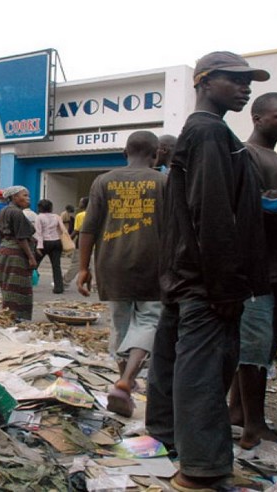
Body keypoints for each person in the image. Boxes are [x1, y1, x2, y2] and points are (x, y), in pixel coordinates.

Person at [145, 51, 271, 490]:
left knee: (174, 365)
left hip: (185, 277)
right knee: (203, 373)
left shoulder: (199, 133)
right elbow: (213, 213)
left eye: (248, 81)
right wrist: (225, 287)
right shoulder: (211, 132)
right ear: (203, 82)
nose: (245, 88)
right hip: (205, 282)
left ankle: (166, 443)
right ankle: (201, 473)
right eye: (234, 80)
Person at [76, 131, 165, 417]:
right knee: (150, 319)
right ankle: (127, 381)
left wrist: (83, 268)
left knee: (120, 322)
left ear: (125, 151)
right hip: (154, 264)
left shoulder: (103, 181)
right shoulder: (164, 182)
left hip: (111, 264)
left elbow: (88, 228)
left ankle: (122, 379)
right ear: (157, 154)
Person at [0, 185, 37, 321]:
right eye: (24, 195)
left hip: (4, 251)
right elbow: (21, 237)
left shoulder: (3, 211)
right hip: (16, 254)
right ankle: (17, 317)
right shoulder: (17, 213)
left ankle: (8, 314)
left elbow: (1, 234)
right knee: (19, 286)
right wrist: (31, 257)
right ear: (14, 197)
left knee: (7, 286)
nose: (28, 199)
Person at [34, 199, 66, 294]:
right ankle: (58, 287)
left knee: (34, 263)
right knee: (56, 266)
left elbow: (38, 233)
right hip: (56, 242)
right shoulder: (56, 216)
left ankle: (25, 283)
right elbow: (63, 229)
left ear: (40, 208)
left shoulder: (39, 217)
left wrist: (39, 247)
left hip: (44, 242)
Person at [63, 196, 89, 286]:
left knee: (75, 264)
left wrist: (68, 240)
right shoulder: (95, 214)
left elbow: (77, 230)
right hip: (94, 244)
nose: (79, 204)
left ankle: (65, 282)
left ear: (85, 204)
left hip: (81, 244)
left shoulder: (80, 215)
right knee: (93, 265)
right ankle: (95, 286)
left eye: (81, 202)